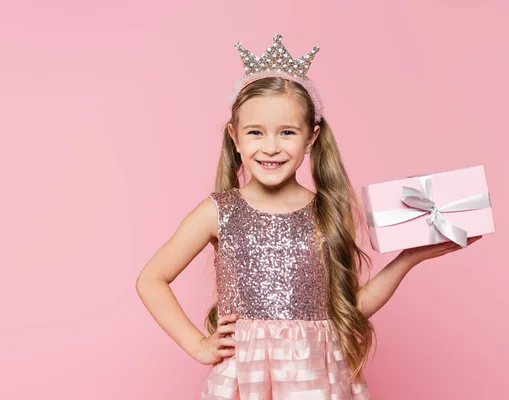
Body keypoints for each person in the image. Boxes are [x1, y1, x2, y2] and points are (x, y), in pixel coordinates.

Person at [135, 33, 482, 400]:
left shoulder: (327, 212)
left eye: (287, 132)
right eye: (256, 132)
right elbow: (151, 279)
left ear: (311, 137)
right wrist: (198, 346)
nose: (271, 146)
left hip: (316, 377)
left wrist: (408, 259)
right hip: (245, 378)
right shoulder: (219, 211)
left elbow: (350, 309)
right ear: (235, 137)